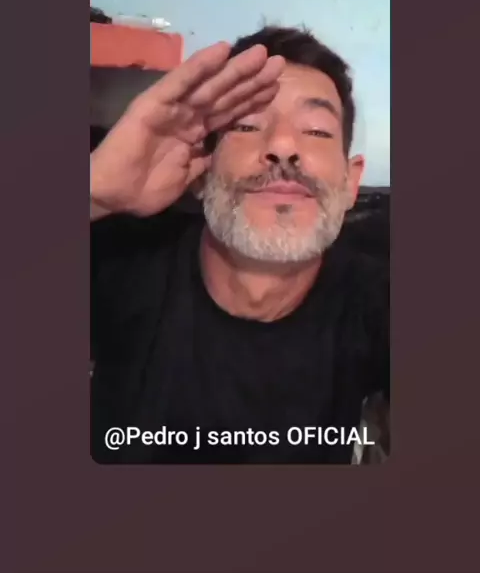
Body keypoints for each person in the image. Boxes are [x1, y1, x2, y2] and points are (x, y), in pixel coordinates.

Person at [90, 25, 389, 464]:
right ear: (200, 169)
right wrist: (93, 191)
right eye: (247, 124)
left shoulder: (378, 299)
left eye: (317, 131)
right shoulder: (119, 260)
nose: (283, 145)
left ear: (351, 183)